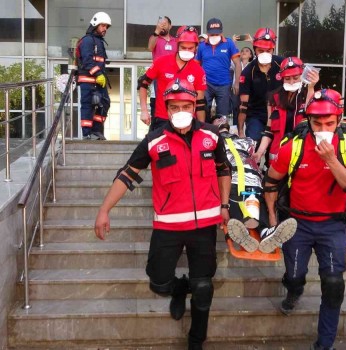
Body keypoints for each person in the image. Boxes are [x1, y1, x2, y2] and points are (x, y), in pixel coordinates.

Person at [95, 78, 231, 350]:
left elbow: (223, 170)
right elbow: (127, 174)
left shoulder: (211, 136)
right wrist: (104, 210)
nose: (180, 110)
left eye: (186, 105)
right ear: (166, 109)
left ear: (195, 107)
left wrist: (225, 206)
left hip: (204, 225)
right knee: (158, 281)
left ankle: (196, 341)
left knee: (203, 285)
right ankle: (179, 289)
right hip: (168, 226)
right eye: (174, 106)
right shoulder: (155, 140)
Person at [262, 89, 346, 350]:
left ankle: (324, 344)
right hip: (297, 223)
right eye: (317, 123)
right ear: (308, 120)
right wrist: (274, 220)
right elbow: (270, 182)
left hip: (332, 225)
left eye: (330, 123)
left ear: (339, 120)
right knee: (296, 275)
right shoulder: (293, 147)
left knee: (333, 284)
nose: (323, 128)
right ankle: (294, 289)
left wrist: (331, 160)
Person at [212, 117, 297, 254]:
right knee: (237, 200)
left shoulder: (246, 141)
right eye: (217, 120)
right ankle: (247, 231)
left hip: (248, 179)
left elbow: (255, 154)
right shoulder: (214, 141)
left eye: (223, 121)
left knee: (255, 201)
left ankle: (264, 231)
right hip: (235, 179)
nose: (221, 121)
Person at [138, 26, 207, 131]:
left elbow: (200, 103)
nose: (187, 51)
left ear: (196, 48)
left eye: (190, 48)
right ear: (177, 45)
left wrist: (201, 128)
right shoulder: (161, 62)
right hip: (163, 119)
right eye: (183, 47)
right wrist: (144, 110)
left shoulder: (198, 70)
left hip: (187, 122)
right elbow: (143, 83)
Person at [253, 56, 319, 163]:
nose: (292, 82)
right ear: (282, 78)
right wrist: (259, 152)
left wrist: (311, 87)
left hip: (301, 156)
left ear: (302, 76)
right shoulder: (273, 98)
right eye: (287, 79)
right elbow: (269, 130)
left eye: (296, 78)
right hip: (277, 157)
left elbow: (310, 114)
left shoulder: (309, 95)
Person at [237, 28, 284, 146]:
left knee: (277, 150)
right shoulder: (248, 72)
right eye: (260, 50)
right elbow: (243, 106)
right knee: (253, 144)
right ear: (255, 50)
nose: (264, 53)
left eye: (268, 50)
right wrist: (241, 131)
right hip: (256, 115)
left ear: (273, 49)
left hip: (279, 113)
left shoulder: (282, 64)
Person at [196, 18, 240, 120]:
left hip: (224, 84)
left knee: (223, 116)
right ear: (207, 33)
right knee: (203, 112)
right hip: (206, 84)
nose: (214, 36)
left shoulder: (229, 43)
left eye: (217, 34)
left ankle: (222, 134)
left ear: (221, 32)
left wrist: (236, 83)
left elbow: (238, 64)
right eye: (212, 34)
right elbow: (196, 66)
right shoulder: (202, 46)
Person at [77, 11, 111, 140]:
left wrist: (100, 76)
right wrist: (98, 74)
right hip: (88, 80)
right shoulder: (87, 41)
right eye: (103, 26)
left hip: (98, 80)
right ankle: (87, 134)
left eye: (106, 27)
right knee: (87, 105)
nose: (105, 29)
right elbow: (87, 60)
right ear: (95, 24)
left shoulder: (98, 41)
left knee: (105, 103)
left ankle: (96, 130)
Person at [147, 16, 175, 119]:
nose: (162, 26)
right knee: (160, 102)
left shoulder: (175, 41)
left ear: (170, 26)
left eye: (165, 24)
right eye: (160, 24)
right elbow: (150, 47)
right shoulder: (155, 38)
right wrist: (156, 31)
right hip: (159, 77)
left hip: (174, 77)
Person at [231, 47, 254, 124]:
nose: (244, 52)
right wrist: (233, 43)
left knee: (246, 108)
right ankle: (235, 126)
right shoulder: (236, 64)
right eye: (242, 51)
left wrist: (252, 43)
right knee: (235, 108)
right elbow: (229, 56)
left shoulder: (252, 65)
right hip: (236, 90)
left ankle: (246, 127)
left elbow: (259, 56)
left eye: (247, 51)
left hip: (248, 90)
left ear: (250, 55)